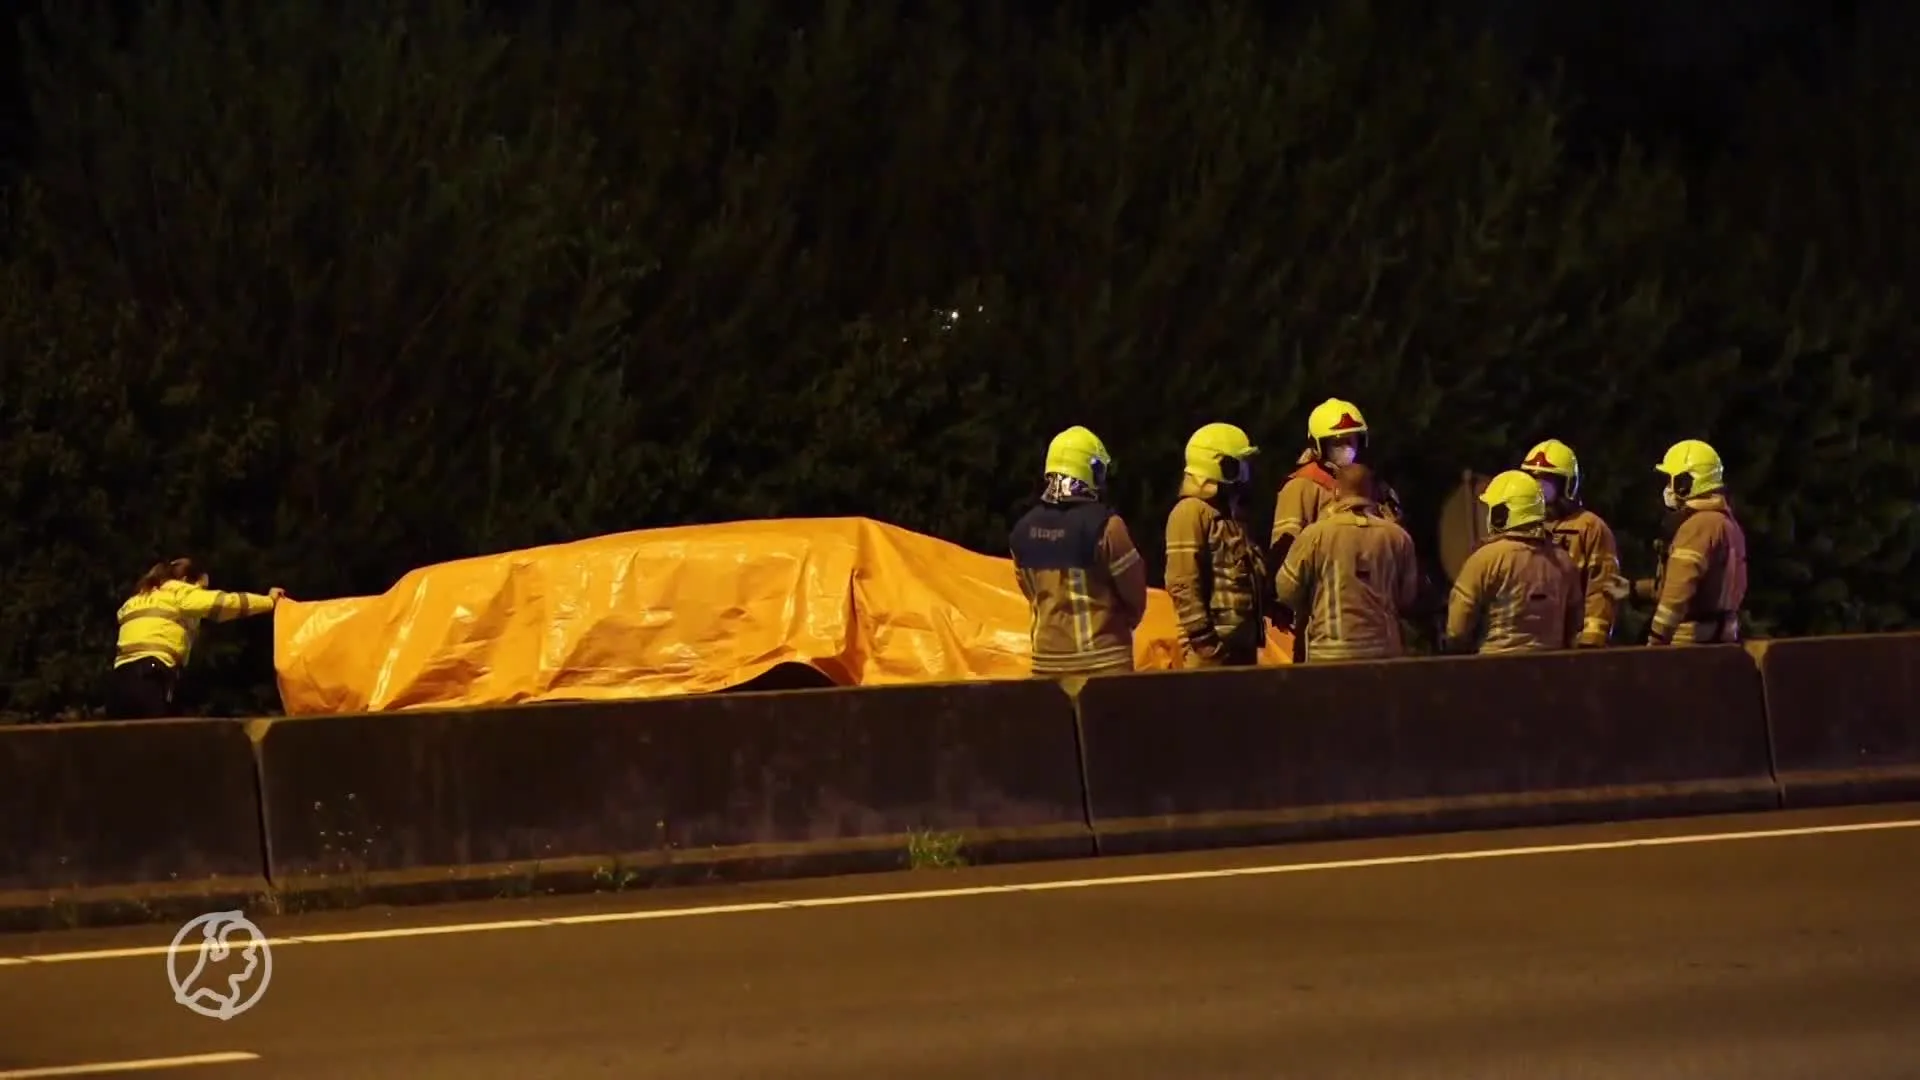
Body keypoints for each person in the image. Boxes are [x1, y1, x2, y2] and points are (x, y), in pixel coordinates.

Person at [1270, 397, 1406, 658]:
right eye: (1337, 443)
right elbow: (1285, 557)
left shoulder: (1376, 487)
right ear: (1319, 446)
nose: (1346, 448)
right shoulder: (1302, 487)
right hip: (1322, 617)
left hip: (1378, 619)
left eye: (1351, 440)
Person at [1008, 426, 1150, 676]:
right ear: (1092, 471)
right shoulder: (1107, 527)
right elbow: (1134, 594)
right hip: (1106, 665)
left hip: (1046, 664)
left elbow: (1031, 592)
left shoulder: (1022, 530)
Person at [1274, 464, 1420, 662]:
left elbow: (1286, 590)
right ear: (1371, 492)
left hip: (1329, 652)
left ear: (1335, 491)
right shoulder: (1398, 537)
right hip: (1384, 652)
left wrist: (1311, 604)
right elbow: (1407, 596)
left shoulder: (1314, 535)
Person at [111, 558, 284, 720]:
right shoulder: (179, 592)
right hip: (152, 676)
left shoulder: (136, 600)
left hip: (119, 680)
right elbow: (225, 603)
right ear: (186, 580)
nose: (202, 593)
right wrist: (269, 601)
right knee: (159, 743)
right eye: (202, 588)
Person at [1443, 470, 1584, 654]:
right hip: (1550, 672)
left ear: (1502, 513)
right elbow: (1576, 625)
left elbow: (1458, 630)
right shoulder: (1564, 562)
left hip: (1496, 670)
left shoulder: (1485, 559)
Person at [1164, 422, 1268, 667]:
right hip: (1211, 653)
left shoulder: (1231, 515)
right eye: (1239, 465)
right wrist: (1205, 641)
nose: (1245, 473)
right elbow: (1182, 582)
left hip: (1240, 649)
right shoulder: (1189, 512)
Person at [1637, 439, 1749, 645]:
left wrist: (1656, 638)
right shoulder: (1727, 524)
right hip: (1723, 639)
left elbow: (1679, 589)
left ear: (1685, 483)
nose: (1667, 489)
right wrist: (1636, 589)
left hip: (1689, 640)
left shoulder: (1697, 525)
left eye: (1670, 480)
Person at [1519, 438, 1626, 647]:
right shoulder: (1523, 527)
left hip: (1572, 642)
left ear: (1567, 486)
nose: (1539, 494)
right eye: (1533, 484)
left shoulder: (1588, 528)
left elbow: (1602, 587)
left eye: (1546, 486)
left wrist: (1592, 640)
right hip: (1531, 643)